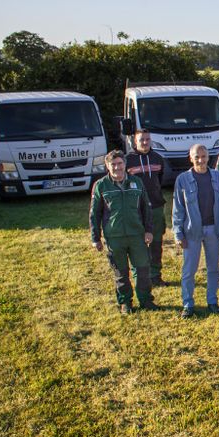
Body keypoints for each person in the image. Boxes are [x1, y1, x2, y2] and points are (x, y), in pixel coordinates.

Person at [89, 150, 155, 314]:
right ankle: (125, 302)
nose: (117, 167)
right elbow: (95, 213)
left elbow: (146, 208)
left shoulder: (137, 182)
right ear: (107, 166)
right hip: (114, 237)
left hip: (137, 235)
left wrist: (148, 230)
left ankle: (146, 300)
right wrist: (95, 238)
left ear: (125, 165)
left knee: (142, 270)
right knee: (121, 272)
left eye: (120, 163)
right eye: (113, 164)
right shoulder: (101, 185)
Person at [173, 144, 219, 318]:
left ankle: (212, 301)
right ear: (190, 158)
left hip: (214, 229)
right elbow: (178, 208)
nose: (201, 160)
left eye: (204, 156)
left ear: (208, 157)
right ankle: (188, 304)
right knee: (189, 270)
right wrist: (178, 233)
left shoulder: (218, 176)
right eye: (197, 157)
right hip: (192, 232)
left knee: (213, 268)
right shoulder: (182, 179)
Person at [125, 128, 168, 285]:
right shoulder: (128, 160)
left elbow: (160, 179)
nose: (145, 142)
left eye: (147, 139)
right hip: (136, 209)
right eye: (141, 140)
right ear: (135, 141)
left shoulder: (157, 158)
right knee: (139, 243)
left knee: (156, 242)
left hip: (156, 206)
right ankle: (143, 276)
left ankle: (156, 275)